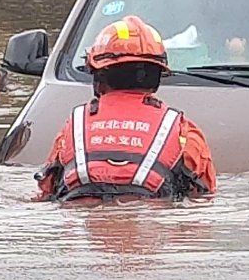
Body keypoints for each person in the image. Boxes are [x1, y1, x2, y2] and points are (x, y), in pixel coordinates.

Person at [35, 15, 217, 202]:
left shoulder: (73, 128)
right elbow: (204, 196)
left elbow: (45, 191)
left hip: (81, 224)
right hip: (153, 225)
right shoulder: (182, 132)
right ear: (156, 76)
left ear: (99, 76)